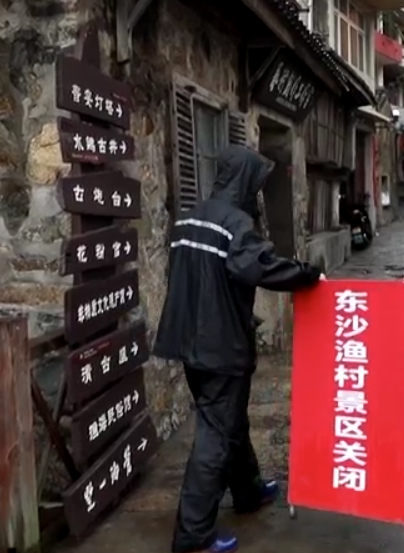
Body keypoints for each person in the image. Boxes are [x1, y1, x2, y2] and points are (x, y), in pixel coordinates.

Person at [155, 145, 325, 553]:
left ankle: (247, 490)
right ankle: (193, 535)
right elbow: (259, 267)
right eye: (257, 184)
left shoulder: (188, 219)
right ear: (245, 181)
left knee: (229, 420)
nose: (259, 193)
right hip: (220, 346)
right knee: (215, 433)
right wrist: (307, 275)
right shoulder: (236, 224)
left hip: (188, 341)